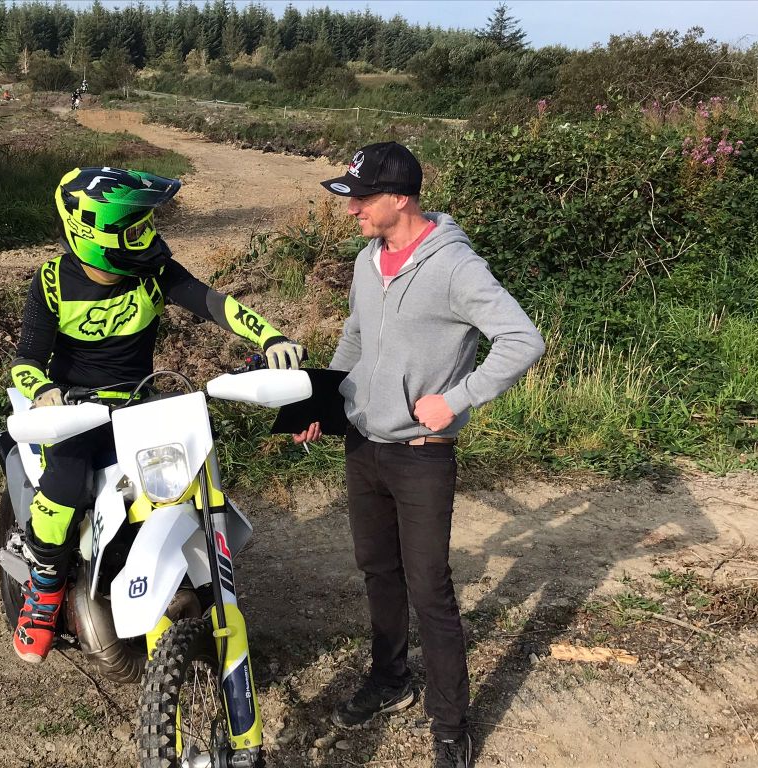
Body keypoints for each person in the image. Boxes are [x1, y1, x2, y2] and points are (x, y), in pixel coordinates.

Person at [295, 142, 545, 768]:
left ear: (400, 198)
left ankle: (451, 724)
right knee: (378, 570)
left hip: (421, 455)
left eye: (362, 197)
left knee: (430, 587)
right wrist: (323, 405)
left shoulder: (455, 267)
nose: (351, 208)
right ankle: (389, 679)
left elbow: (523, 339)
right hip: (363, 446)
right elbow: (355, 337)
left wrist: (458, 398)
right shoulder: (366, 259)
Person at [11, 166, 304, 664]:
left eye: (147, 224)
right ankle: (44, 591)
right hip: (76, 412)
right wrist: (44, 392)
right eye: (134, 229)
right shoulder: (53, 282)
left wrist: (270, 337)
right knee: (64, 488)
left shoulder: (154, 271)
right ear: (92, 234)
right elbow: (26, 361)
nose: (147, 236)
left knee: (188, 474)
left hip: (140, 402)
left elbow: (214, 303)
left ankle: (196, 580)